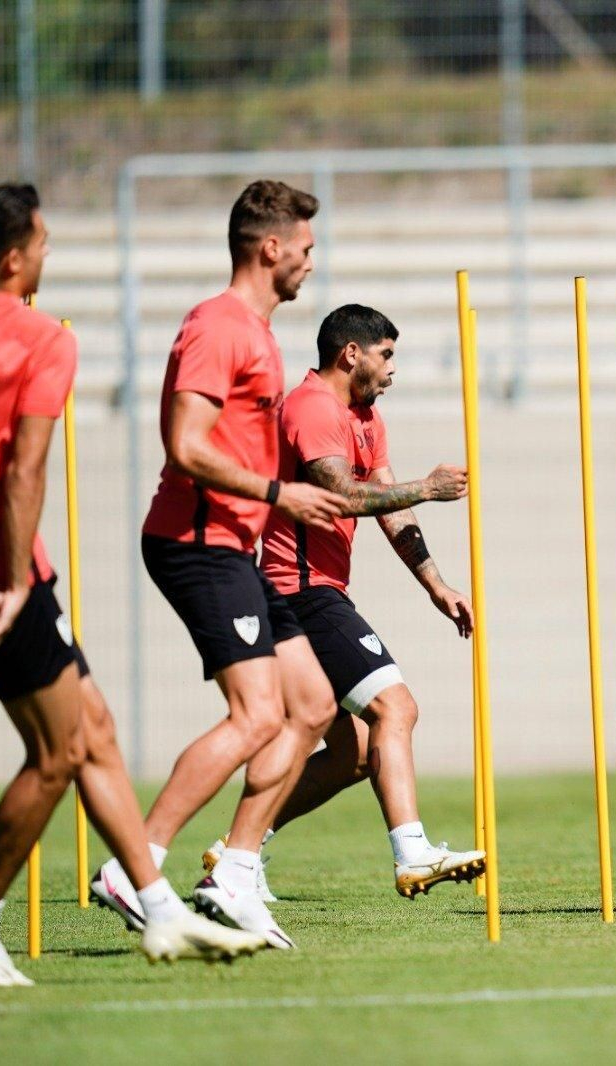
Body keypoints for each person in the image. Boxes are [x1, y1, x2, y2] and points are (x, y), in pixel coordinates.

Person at [0, 184, 266, 986]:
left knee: (95, 730)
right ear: (13, 257)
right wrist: (17, 583)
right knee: (56, 753)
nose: (50, 254)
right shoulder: (41, 340)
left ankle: (160, 912)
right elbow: (24, 473)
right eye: (45, 242)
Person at [91, 180, 346, 950]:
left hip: (239, 543)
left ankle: (233, 873)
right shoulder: (216, 326)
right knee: (256, 715)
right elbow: (186, 445)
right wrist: (280, 493)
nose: (311, 261)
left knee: (313, 707)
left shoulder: (261, 334)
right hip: (197, 540)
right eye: (305, 248)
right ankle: (135, 865)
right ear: (271, 248)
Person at [201, 303, 485, 900]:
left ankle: (235, 855)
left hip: (314, 592)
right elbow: (344, 496)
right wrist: (431, 488)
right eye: (386, 355)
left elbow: (387, 503)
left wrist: (436, 584)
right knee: (395, 709)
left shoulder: (366, 417)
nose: (392, 370)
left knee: (353, 753)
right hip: (297, 590)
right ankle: (412, 854)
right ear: (349, 353)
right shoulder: (310, 408)